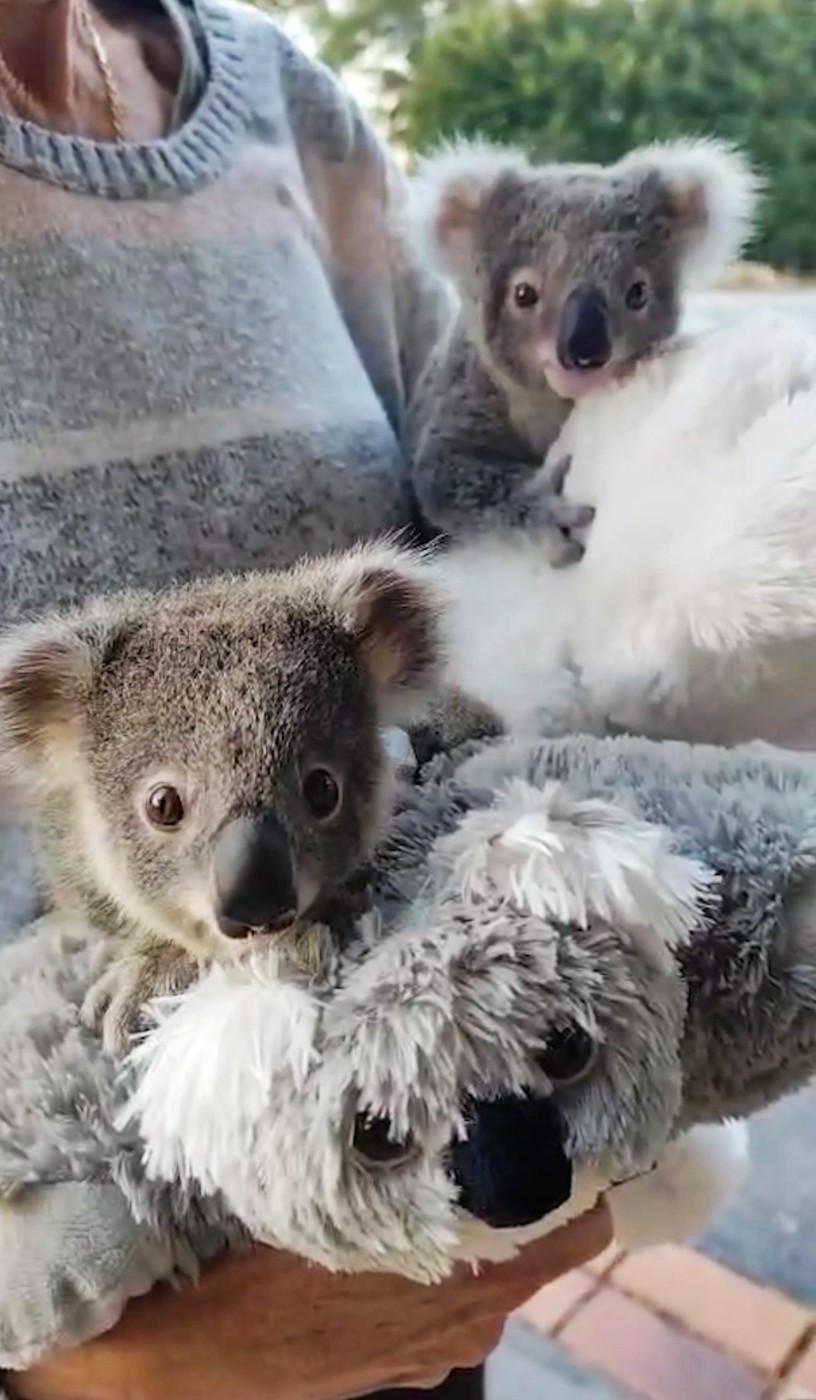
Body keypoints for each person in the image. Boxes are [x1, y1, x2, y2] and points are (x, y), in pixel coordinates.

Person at [0, 2, 611, 1396]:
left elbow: (481, 531)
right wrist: (94, 1371)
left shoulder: (292, 109)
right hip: (84, 1273)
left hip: (421, 1250)